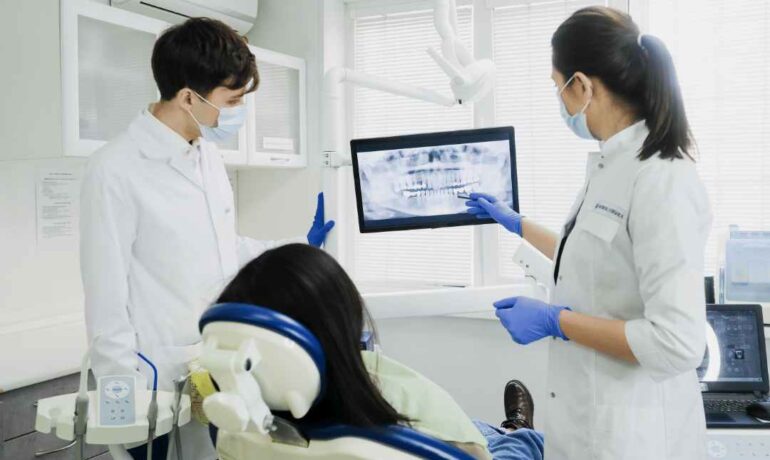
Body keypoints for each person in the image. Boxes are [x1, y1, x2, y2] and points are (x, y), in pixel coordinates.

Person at [79, 18, 334, 460]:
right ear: (187, 98)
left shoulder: (207, 157)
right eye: (232, 100)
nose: (238, 112)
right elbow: (105, 301)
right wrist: (122, 407)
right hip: (151, 381)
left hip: (212, 368)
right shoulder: (115, 170)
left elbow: (222, 251)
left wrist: (297, 246)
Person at [465, 6, 711, 460]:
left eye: (556, 86)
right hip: (587, 425)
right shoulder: (611, 165)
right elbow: (596, 258)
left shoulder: (661, 178)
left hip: (632, 436)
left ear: (581, 85)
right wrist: (515, 222)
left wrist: (555, 321)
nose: (559, 99)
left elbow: (677, 343)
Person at [208, 243, 545, 460]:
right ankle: (517, 428)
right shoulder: (398, 398)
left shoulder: (238, 434)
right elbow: (474, 453)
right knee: (522, 444)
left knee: (479, 426)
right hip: (468, 448)